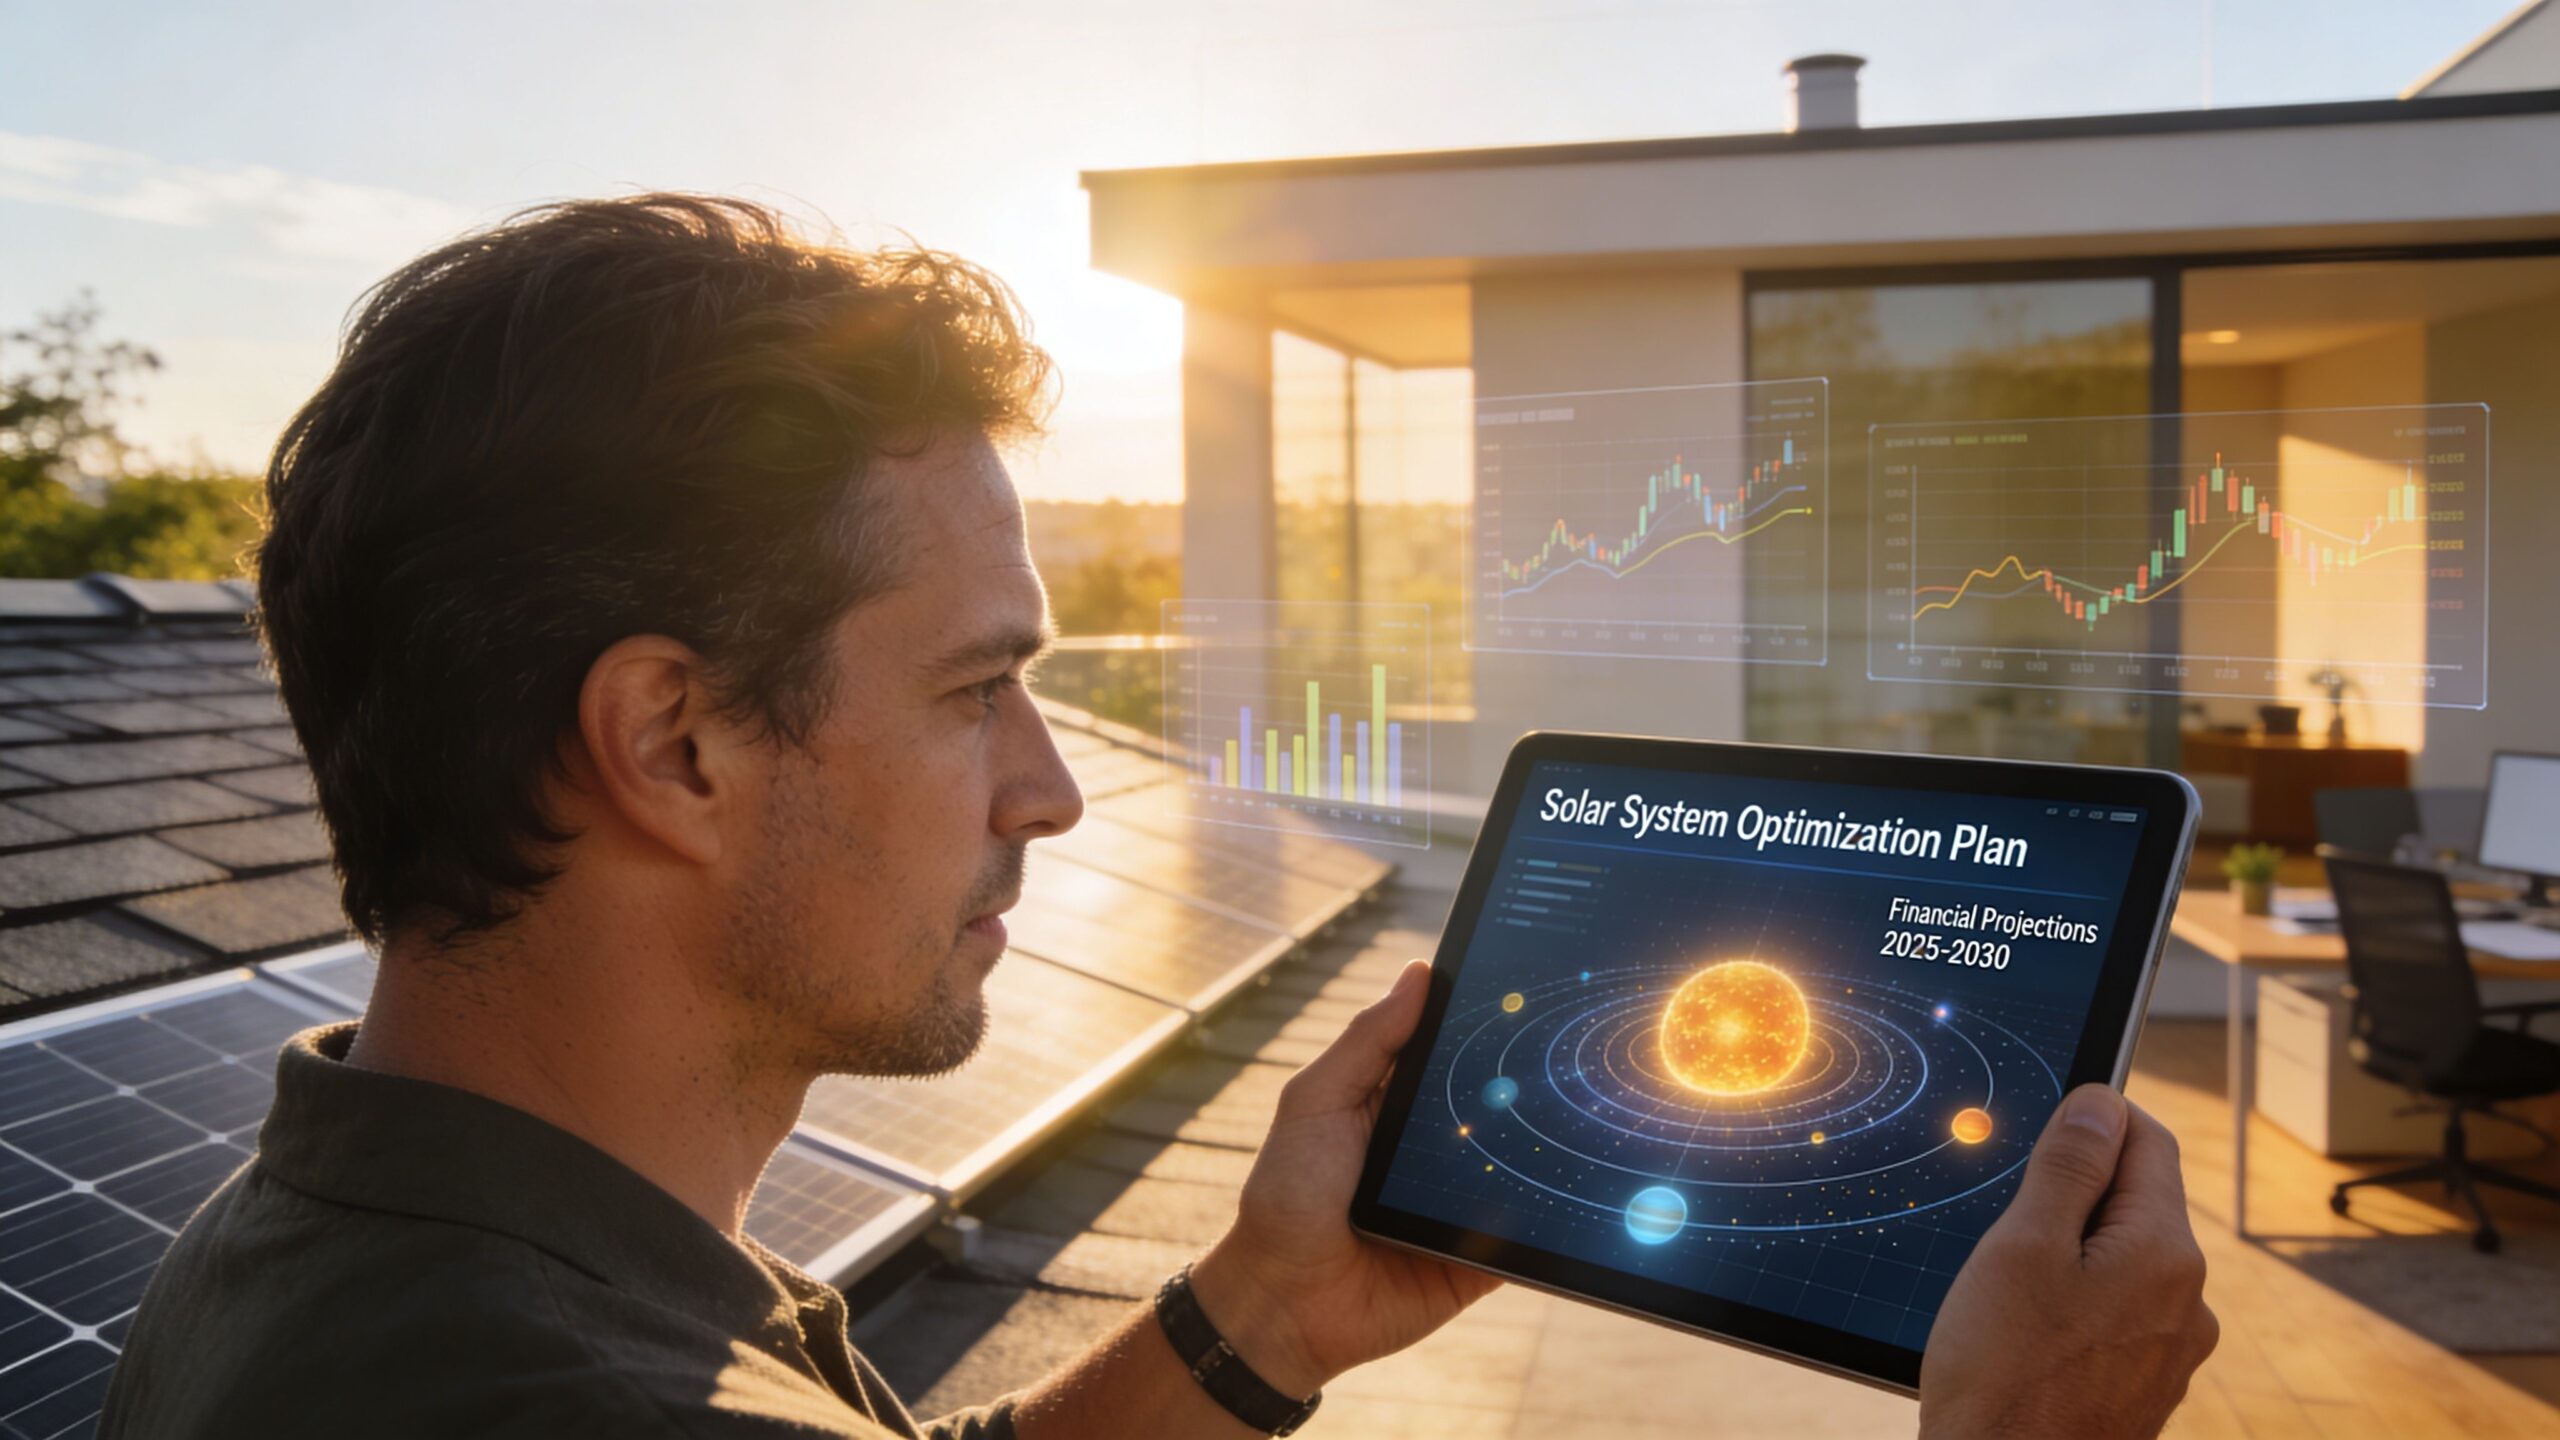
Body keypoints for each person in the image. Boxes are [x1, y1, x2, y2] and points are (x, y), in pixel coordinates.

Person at [100, 194, 2216, 1439]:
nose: (1048, 787)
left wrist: (1260, 1316)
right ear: (672, 744)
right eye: (973, 690)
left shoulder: (313, 1250)